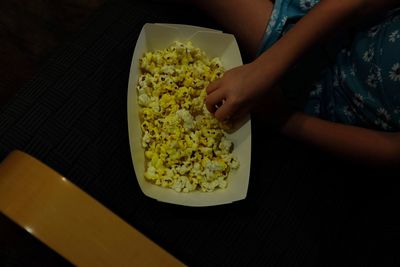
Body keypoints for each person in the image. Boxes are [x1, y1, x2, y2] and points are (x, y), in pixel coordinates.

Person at [189, 0, 400, 168]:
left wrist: (281, 118)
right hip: (328, 23)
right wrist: (263, 69)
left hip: (328, 98)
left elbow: (390, 151)